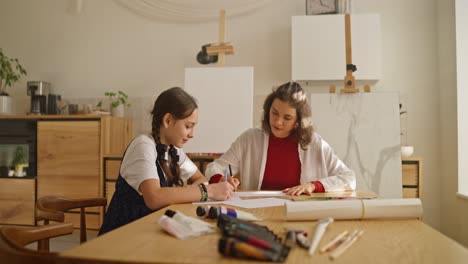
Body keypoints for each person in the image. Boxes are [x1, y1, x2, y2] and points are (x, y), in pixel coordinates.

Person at [99, 87, 234, 235]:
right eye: (188, 126)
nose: (192, 134)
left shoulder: (173, 151)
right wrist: (208, 191)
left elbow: (200, 178)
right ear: (168, 120)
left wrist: (186, 192)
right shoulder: (143, 146)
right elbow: (154, 198)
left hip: (151, 232)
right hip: (123, 235)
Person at [205, 81, 356, 195]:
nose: (277, 122)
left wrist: (313, 185)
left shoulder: (315, 144)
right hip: (259, 212)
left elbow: (349, 178)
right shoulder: (249, 139)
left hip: (299, 212)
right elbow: (215, 167)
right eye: (274, 113)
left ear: (298, 121)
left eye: (287, 117)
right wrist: (220, 179)